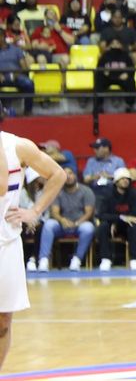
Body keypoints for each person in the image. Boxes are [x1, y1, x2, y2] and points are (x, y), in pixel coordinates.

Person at [0, 132, 66, 368]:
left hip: (6, 243)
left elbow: (58, 174)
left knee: (3, 321)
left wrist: (35, 211)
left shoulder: (18, 146)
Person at [96, 167, 136, 271]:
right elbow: (101, 214)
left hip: (126, 226)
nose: (126, 181)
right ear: (116, 182)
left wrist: (119, 221)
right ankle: (105, 259)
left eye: (127, 179)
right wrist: (119, 218)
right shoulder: (108, 194)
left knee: (134, 226)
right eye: (122, 179)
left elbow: (135, 214)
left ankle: (134, 259)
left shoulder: (134, 193)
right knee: (103, 226)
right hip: (112, 224)